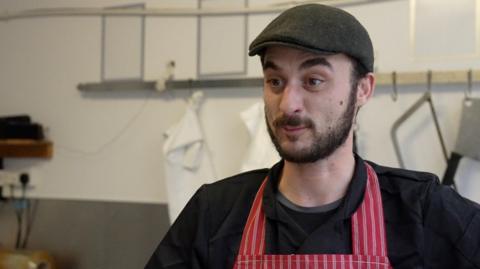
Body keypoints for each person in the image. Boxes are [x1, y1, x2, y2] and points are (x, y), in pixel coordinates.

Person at [145, 4, 480, 269]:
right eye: (275, 81)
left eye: (313, 80)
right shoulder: (213, 214)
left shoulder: (421, 210)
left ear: (363, 89)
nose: (288, 104)